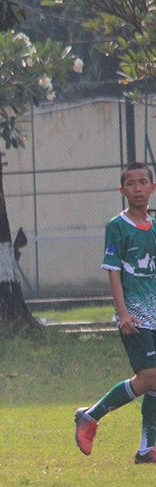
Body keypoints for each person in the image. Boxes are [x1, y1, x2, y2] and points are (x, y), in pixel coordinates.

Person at [75, 162, 156, 463]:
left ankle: (147, 449)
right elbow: (113, 271)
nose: (138, 188)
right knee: (149, 376)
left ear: (152, 188)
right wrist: (122, 313)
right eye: (131, 184)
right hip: (134, 313)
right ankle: (90, 416)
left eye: (143, 182)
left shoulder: (155, 227)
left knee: (154, 380)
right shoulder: (117, 226)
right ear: (122, 191)